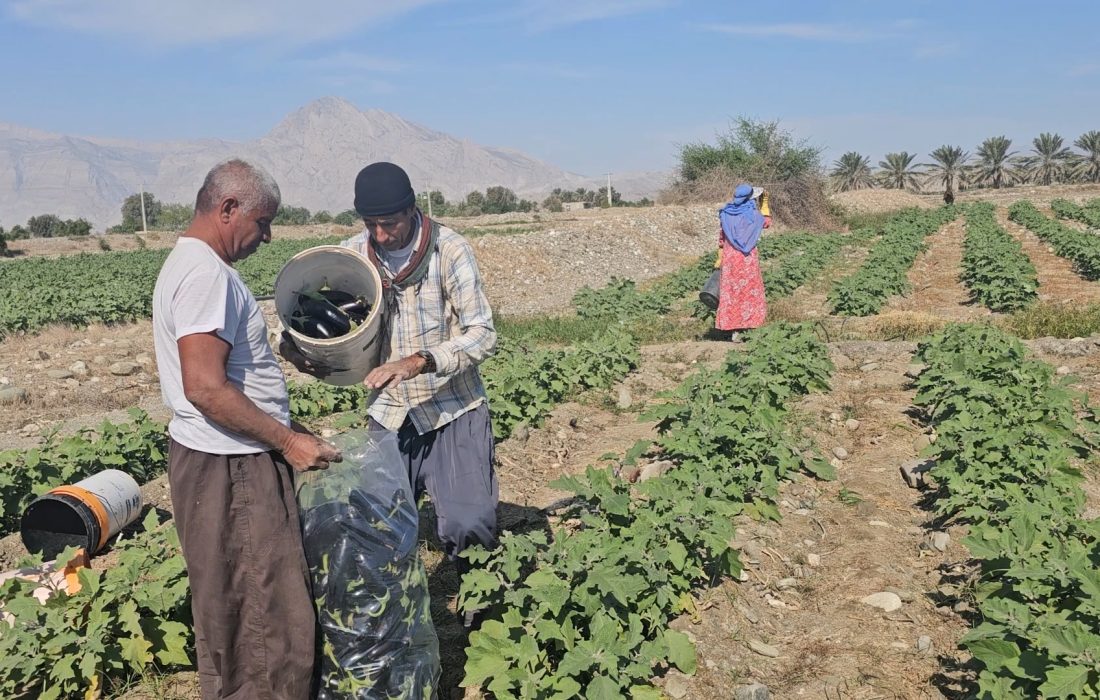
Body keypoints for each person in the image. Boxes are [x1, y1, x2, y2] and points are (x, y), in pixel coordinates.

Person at [152, 158, 341, 700]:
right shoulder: (205, 274)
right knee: (265, 617)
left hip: (223, 458)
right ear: (228, 209)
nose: (269, 234)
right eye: (263, 221)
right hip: (231, 469)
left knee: (238, 610)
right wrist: (286, 440)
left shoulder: (192, 266)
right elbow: (206, 387)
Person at [283, 162, 498, 629]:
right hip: (388, 414)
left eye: (390, 223)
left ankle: (482, 611)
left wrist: (420, 360)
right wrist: (302, 352)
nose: (380, 235)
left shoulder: (450, 250)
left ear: (412, 209)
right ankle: (395, 617)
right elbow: (320, 320)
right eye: (371, 224)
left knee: (468, 523)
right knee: (381, 526)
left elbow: (482, 334)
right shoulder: (352, 258)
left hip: (450, 406)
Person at [715, 184, 770, 338]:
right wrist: (765, 204)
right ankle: (750, 326)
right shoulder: (753, 214)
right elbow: (766, 222)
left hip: (730, 257)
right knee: (748, 291)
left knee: (732, 291)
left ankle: (734, 330)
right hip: (746, 258)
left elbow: (721, 238)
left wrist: (720, 256)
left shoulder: (725, 213)